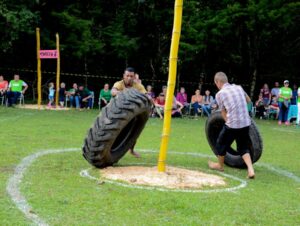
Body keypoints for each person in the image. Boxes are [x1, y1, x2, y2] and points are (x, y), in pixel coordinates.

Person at [208, 72, 255, 179]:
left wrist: (228, 123)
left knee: (220, 142)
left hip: (233, 124)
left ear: (218, 82)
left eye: (216, 83)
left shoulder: (220, 94)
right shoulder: (239, 87)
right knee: (243, 147)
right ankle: (250, 169)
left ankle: (220, 165)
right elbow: (249, 101)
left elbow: (223, 112)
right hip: (246, 122)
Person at [111, 67, 147, 158]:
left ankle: (132, 150)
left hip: (131, 114)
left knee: (133, 133)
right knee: (115, 132)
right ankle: (111, 150)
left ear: (134, 77)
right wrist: (126, 93)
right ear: (124, 76)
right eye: (127, 76)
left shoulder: (138, 86)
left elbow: (146, 96)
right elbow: (113, 92)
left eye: (131, 76)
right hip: (117, 112)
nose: (129, 78)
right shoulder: (119, 84)